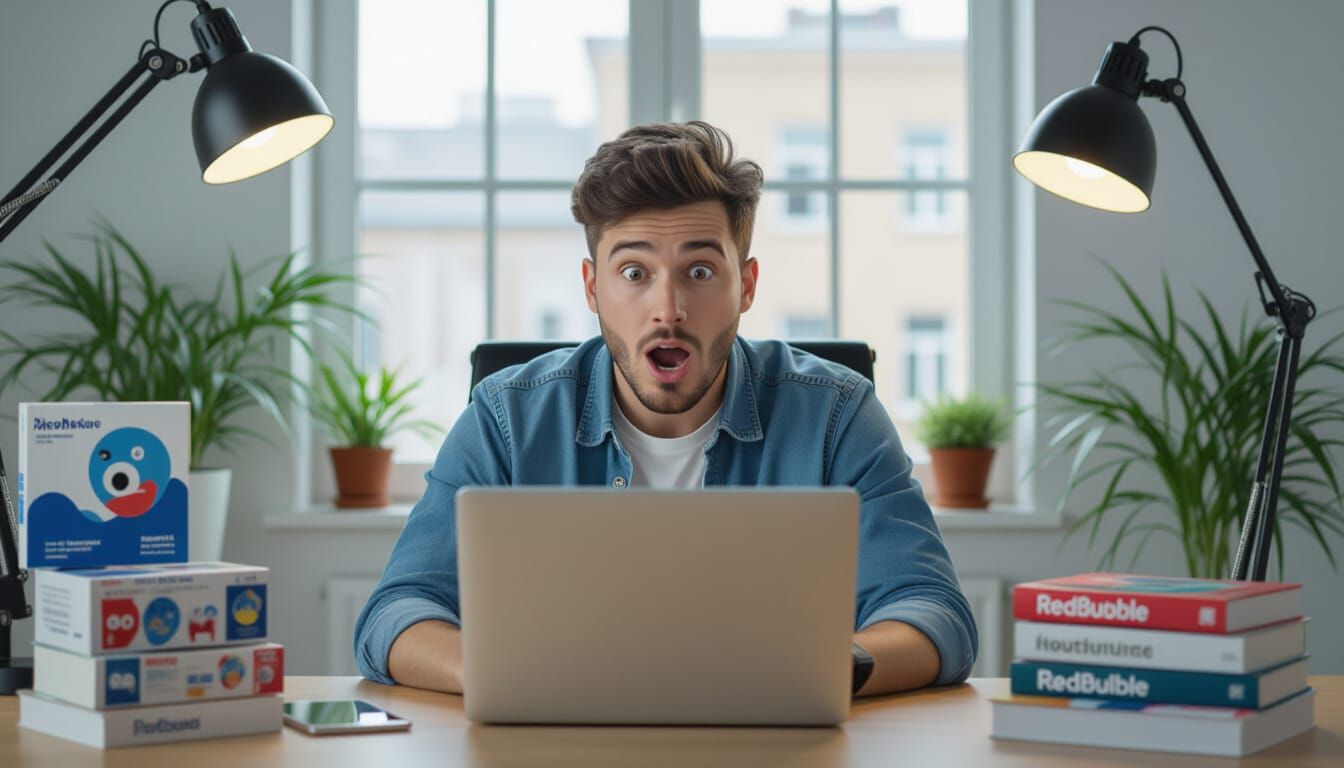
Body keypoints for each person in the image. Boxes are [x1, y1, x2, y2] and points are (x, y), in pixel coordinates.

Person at [354, 121, 978, 696]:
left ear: (748, 285)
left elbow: (932, 613)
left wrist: (810, 672)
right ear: (592, 287)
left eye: (701, 270)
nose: (668, 308)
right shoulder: (505, 418)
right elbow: (398, 612)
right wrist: (511, 674)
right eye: (633, 272)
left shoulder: (837, 414)